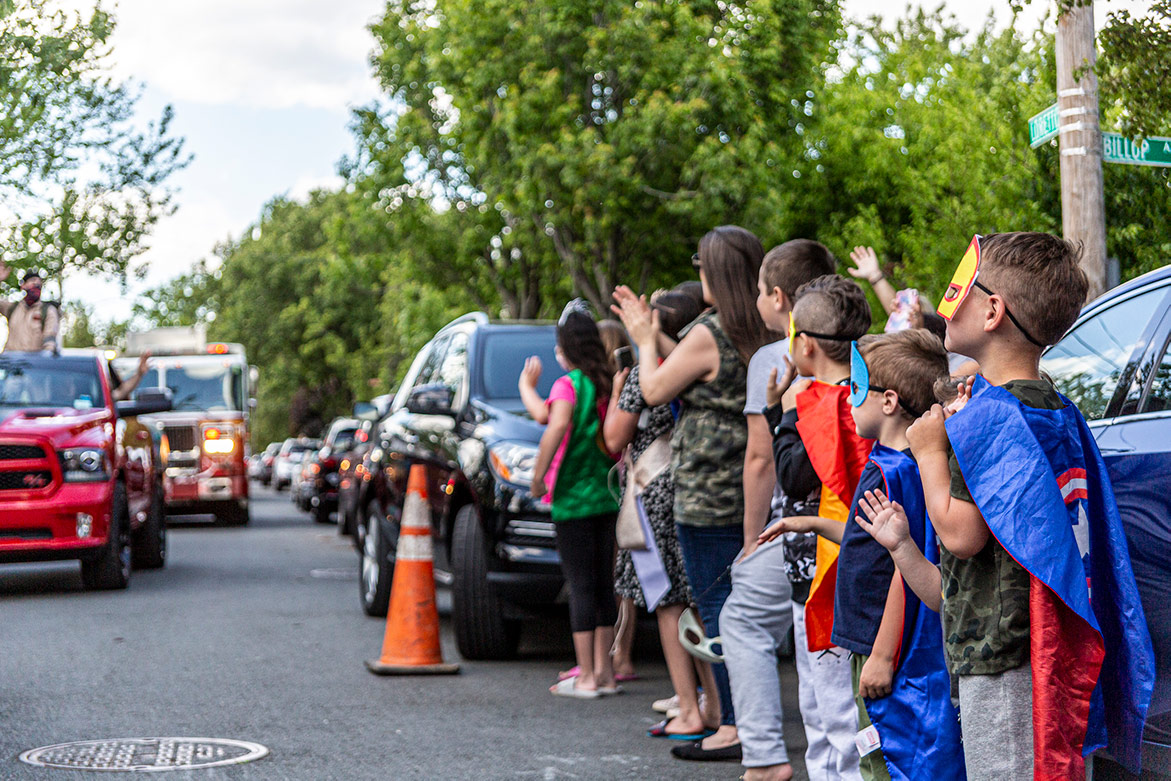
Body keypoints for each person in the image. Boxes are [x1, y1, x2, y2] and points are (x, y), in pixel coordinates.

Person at [901, 232, 1154, 778]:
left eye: (957, 289)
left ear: (993, 309)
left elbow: (961, 534)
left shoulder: (992, 419)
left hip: (1003, 650)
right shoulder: (1058, 409)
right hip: (1050, 646)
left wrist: (928, 453)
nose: (946, 303)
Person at [762, 329, 964, 781]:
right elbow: (872, 537)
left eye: (855, 388)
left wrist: (881, 655)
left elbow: (901, 564)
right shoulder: (896, 461)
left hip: (888, 646)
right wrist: (812, 523)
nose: (847, 399)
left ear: (888, 401)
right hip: (878, 642)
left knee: (881, 757)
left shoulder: (899, 472)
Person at [611, 225, 773, 762]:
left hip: (705, 490)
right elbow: (687, 361)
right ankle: (744, 718)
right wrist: (652, 334)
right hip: (747, 486)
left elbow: (657, 386)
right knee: (743, 610)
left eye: (702, 265)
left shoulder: (710, 330)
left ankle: (732, 724)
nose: (698, 272)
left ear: (717, 272)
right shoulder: (760, 330)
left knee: (719, 612)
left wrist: (639, 338)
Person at [717, 238, 835, 781]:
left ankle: (764, 756)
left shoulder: (774, 358)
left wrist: (748, 540)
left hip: (799, 530)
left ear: (780, 298)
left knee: (742, 618)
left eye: (762, 291)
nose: (758, 301)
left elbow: (761, 460)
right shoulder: (861, 344)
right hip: (857, 520)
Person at [763, 273, 873, 780]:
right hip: (843, 569)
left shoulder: (818, 405)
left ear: (803, 345)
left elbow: (793, 473)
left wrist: (783, 412)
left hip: (824, 576)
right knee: (823, 705)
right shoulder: (868, 395)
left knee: (831, 711)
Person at [604, 291, 707, 740]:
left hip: (653, 491)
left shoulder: (650, 371)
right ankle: (714, 702)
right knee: (702, 602)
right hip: (701, 487)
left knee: (668, 603)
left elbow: (614, 436)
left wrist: (615, 391)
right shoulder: (705, 361)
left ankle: (688, 707)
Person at [520, 301, 622, 698]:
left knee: (580, 586)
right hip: (606, 497)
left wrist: (538, 479)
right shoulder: (604, 382)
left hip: (573, 501)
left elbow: (553, 422)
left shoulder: (568, 386)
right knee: (602, 586)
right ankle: (606, 673)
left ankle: (586, 679)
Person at [0, 264, 59, 353]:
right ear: (23, 286)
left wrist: (47, 357)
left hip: (33, 364)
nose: (36, 284)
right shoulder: (11, 308)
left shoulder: (48, 311)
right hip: (11, 362)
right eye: (33, 281)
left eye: (39, 285)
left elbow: (49, 339)